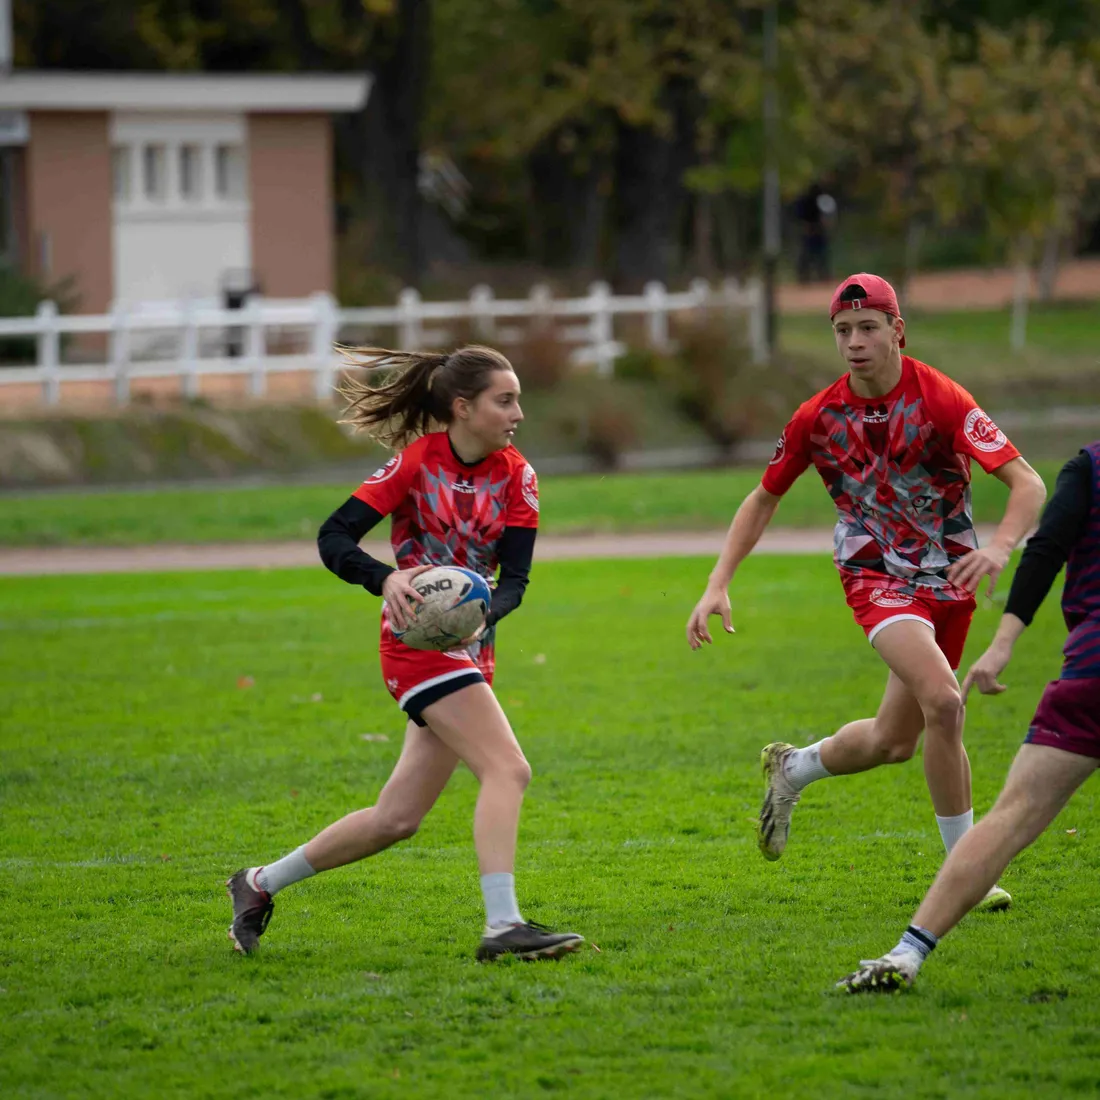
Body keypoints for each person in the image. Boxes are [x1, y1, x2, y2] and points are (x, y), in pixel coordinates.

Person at [686, 274, 1046, 905]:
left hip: (951, 576)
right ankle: (965, 871)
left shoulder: (942, 399)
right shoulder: (817, 417)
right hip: (875, 575)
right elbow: (762, 499)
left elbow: (1028, 484)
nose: (854, 341)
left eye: (868, 327)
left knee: (894, 741)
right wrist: (718, 583)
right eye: (843, 331)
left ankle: (793, 767)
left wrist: (998, 547)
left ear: (897, 330)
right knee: (945, 702)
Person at [225, 345, 583, 962]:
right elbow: (333, 535)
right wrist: (385, 578)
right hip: (415, 648)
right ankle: (504, 927)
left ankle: (258, 885)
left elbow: (516, 584)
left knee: (397, 818)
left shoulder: (518, 477)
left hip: (469, 650)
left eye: (518, 398)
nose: (518, 412)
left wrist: (481, 615)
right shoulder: (414, 464)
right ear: (463, 408)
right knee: (509, 769)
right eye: (505, 400)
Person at [838, 442, 1100, 991]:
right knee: (912, 739)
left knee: (1013, 813)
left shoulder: (1090, 466)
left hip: (1090, 674)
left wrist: (1003, 643)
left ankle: (907, 954)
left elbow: (1046, 548)